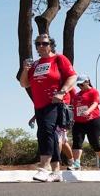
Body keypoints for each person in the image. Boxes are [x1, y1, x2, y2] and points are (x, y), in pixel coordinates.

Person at [20, 34, 77, 182]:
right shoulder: (36, 64)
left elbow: (73, 76)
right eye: (37, 44)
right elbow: (24, 84)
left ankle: (44, 168)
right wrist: (25, 70)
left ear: (51, 45)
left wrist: (62, 92)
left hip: (55, 102)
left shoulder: (59, 59)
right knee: (48, 134)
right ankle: (56, 171)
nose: (40, 46)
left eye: (44, 43)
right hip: (39, 105)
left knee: (46, 131)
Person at [69, 75, 100, 170]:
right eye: (78, 85)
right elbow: (73, 108)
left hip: (94, 121)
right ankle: (76, 163)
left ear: (87, 82)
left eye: (82, 84)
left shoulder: (94, 92)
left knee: (94, 142)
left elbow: (95, 103)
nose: (80, 86)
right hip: (79, 122)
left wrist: (88, 111)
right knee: (77, 141)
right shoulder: (77, 95)